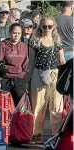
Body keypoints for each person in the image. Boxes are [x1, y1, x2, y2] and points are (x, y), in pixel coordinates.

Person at [29, 16, 66, 144]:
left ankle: (56, 135)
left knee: (56, 106)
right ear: (40, 27)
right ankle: (36, 134)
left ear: (54, 27)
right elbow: (31, 61)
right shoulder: (35, 40)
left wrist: (64, 75)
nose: (47, 29)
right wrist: (28, 77)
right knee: (38, 105)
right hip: (38, 73)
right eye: (44, 26)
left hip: (55, 74)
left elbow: (62, 60)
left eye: (50, 26)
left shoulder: (57, 40)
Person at [0, 23, 29, 106]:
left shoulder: (24, 47)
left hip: (19, 79)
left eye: (19, 33)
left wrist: (24, 76)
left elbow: (26, 63)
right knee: (6, 104)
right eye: (14, 33)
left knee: (20, 105)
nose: (16, 35)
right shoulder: (3, 45)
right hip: (6, 79)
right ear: (10, 33)